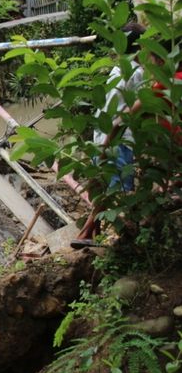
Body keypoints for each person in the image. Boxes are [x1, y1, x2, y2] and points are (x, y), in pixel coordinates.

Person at [71, 23, 146, 248]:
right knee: (117, 191)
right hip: (117, 139)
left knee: (105, 187)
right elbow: (130, 111)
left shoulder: (117, 69)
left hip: (101, 134)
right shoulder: (137, 73)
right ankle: (88, 234)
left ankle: (90, 234)